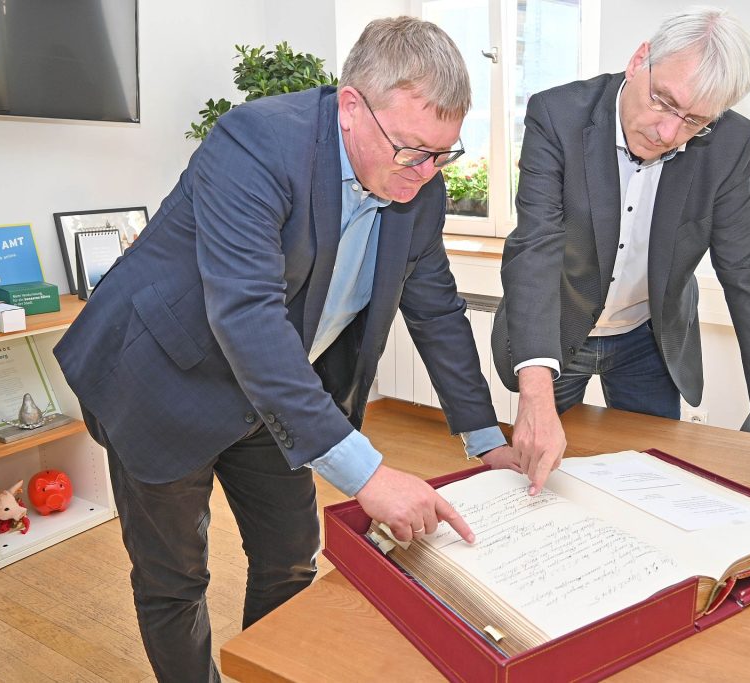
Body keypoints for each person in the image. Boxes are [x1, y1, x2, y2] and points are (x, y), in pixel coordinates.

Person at [55, 17, 514, 681]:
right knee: (175, 577)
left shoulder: (420, 182)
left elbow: (436, 308)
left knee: (291, 552)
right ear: (352, 106)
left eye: (444, 153)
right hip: (160, 378)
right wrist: (371, 475)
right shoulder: (256, 142)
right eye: (413, 150)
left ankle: (268, 670)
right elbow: (248, 314)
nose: (427, 173)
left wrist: (483, 435)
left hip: (274, 390)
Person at [492, 7, 750, 500]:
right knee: (537, 478)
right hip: (558, 331)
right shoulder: (558, 115)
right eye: (663, 102)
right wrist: (535, 390)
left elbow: (748, 273)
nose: (668, 133)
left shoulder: (728, 145)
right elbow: (536, 249)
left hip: (647, 341)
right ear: (639, 60)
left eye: (694, 121)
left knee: (652, 486)